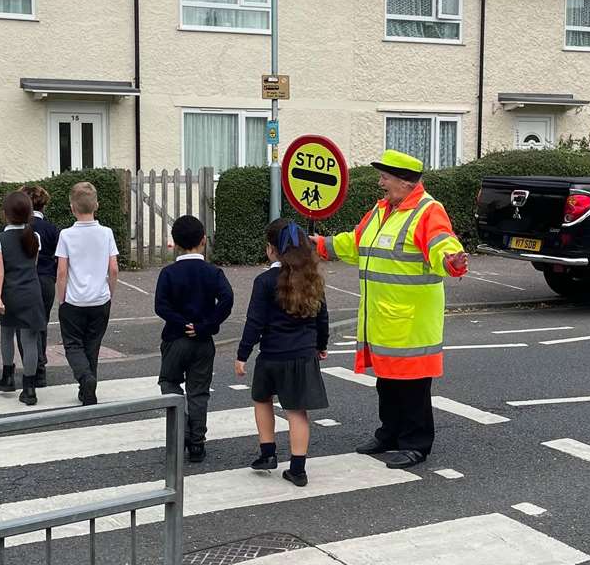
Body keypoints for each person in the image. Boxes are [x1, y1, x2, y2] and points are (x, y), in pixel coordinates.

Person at [312, 150, 468, 468]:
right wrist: (320, 245)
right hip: (382, 319)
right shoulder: (382, 209)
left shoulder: (428, 211)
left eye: (385, 177)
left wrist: (452, 260)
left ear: (405, 181)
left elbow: (443, 243)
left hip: (411, 324)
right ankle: (389, 434)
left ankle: (416, 443)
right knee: (387, 382)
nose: (380, 183)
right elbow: (356, 242)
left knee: (413, 387)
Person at [236, 219, 330, 488]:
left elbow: (254, 321)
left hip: (272, 354)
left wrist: (243, 354)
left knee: (262, 399)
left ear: (271, 249)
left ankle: (267, 453)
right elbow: (322, 318)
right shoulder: (313, 279)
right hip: (302, 355)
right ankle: (298, 469)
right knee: (296, 411)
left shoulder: (264, 281)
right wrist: (321, 345)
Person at [154, 215, 234, 464]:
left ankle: (181, 432)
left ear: (175, 243)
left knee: (169, 382)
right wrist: (206, 325)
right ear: (203, 240)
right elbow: (227, 299)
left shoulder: (168, 273)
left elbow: (160, 306)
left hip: (175, 338)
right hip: (202, 341)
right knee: (198, 392)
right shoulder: (213, 272)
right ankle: (197, 443)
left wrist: (181, 323)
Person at [56, 181, 119, 406]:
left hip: (74, 300)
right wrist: (110, 292)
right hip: (100, 298)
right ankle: (88, 388)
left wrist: (61, 298)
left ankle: (85, 378)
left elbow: (62, 271)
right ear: (97, 206)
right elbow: (113, 268)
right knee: (93, 344)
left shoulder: (66, 235)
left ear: (72, 207)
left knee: (73, 344)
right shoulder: (107, 233)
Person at [0, 190, 47, 406]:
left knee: (6, 334)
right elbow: (32, 266)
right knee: (30, 340)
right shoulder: (35, 237)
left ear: (5, 214)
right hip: (32, 293)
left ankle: (7, 377)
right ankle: (30, 387)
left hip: (10, 293)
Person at [21, 184, 60, 387]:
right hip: (46, 280)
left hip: (24, 280)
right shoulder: (52, 229)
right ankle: (41, 366)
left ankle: (32, 366)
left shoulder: (18, 228)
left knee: (24, 326)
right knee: (41, 324)